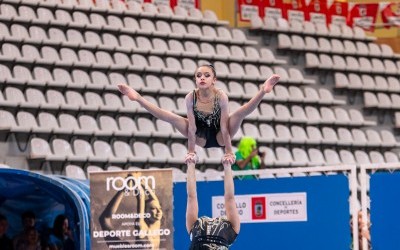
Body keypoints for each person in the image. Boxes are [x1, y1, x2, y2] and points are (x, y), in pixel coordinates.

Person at [118, 65, 280, 163]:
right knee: (172, 117)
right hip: (200, 136)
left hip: (221, 136)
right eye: (199, 76)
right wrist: (191, 152)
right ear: (195, 79)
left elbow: (224, 127)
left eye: (207, 75)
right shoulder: (190, 97)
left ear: (214, 80)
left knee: (238, 114)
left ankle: (263, 90)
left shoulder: (221, 96)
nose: (202, 78)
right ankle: (138, 98)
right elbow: (192, 128)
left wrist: (229, 152)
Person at [185, 154, 240, 249]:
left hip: (199, 244)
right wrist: (227, 167)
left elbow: (191, 197)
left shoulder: (194, 227)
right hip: (201, 243)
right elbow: (229, 198)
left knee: (191, 198)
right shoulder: (233, 228)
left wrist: (191, 165)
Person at [99, 173, 163, 250]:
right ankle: (124, 189)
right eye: (154, 209)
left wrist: (140, 183)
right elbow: (141, 196)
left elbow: (153, 200)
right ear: (146, 213)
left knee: (104, 219)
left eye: (159, 208)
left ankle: (124, 189)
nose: (159, 211)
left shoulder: (155, 223)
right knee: (104, 219)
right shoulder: (144, 226)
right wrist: (138, 182)